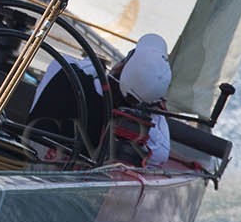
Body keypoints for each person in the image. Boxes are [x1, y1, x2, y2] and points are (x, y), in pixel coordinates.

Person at [28, 33, 172, 167]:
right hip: (67, 184)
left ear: (120, 66)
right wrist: (151, 103)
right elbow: (162, 153)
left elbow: (74, 64)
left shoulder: (62, 71)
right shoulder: (135, 132)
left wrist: (96, 66)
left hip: (25, 163)